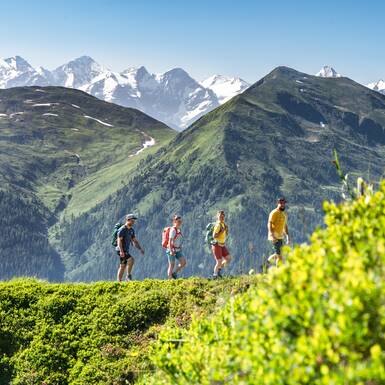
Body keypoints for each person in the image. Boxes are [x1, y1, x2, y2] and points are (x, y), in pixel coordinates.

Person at [116, 214, 144, 281]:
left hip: (125, 250)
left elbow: (135, 241)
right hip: (121, 249)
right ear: (128, 220)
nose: (133, 222)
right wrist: (121, 251)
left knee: (123, 265)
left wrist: (140, 248)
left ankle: (118, 281)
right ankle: (128, 276)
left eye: (134, 221)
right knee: (131, 260)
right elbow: (119, 240)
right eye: (132, 221)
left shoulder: (131, 230)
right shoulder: (122, 229)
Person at [267, 198, 290, 266]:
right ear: (278, 203)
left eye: (284, 203)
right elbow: (269, 223)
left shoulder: (284, 214)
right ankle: (278, 270)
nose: (283, 205)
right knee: (280, 256)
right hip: (274, 236)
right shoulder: (274, 212)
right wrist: (272, 235)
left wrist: (288, 236)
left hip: (281, 237)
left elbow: (285, 226)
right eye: (281, 203)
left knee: (280, 254)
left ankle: (268, 261)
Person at [212, 210, 232, 278]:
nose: (222, 217)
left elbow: (225, 234)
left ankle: (218, 270)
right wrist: (221, 232)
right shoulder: (218, 225)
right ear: (217, 217)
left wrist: (226, 231)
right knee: (219, 261)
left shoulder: (223, 224)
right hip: (217, 245)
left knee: (228, 258)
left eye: (223, 216)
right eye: (220, 216)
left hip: (222, 245)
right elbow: (214, 235)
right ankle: (214, 275)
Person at [166, 214, 187, 279]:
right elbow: (170, 241)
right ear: (174, 221)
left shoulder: (179, 229)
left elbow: (178, 238)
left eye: (180, 221)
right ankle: (169, 279)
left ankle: (174, 273)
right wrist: (171, 250)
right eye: (178, 221)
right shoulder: (173, 230)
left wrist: (179, 245)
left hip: (177, 250)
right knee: (171, 265)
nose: (180, 222)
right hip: (171, 249)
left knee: (183, 262)